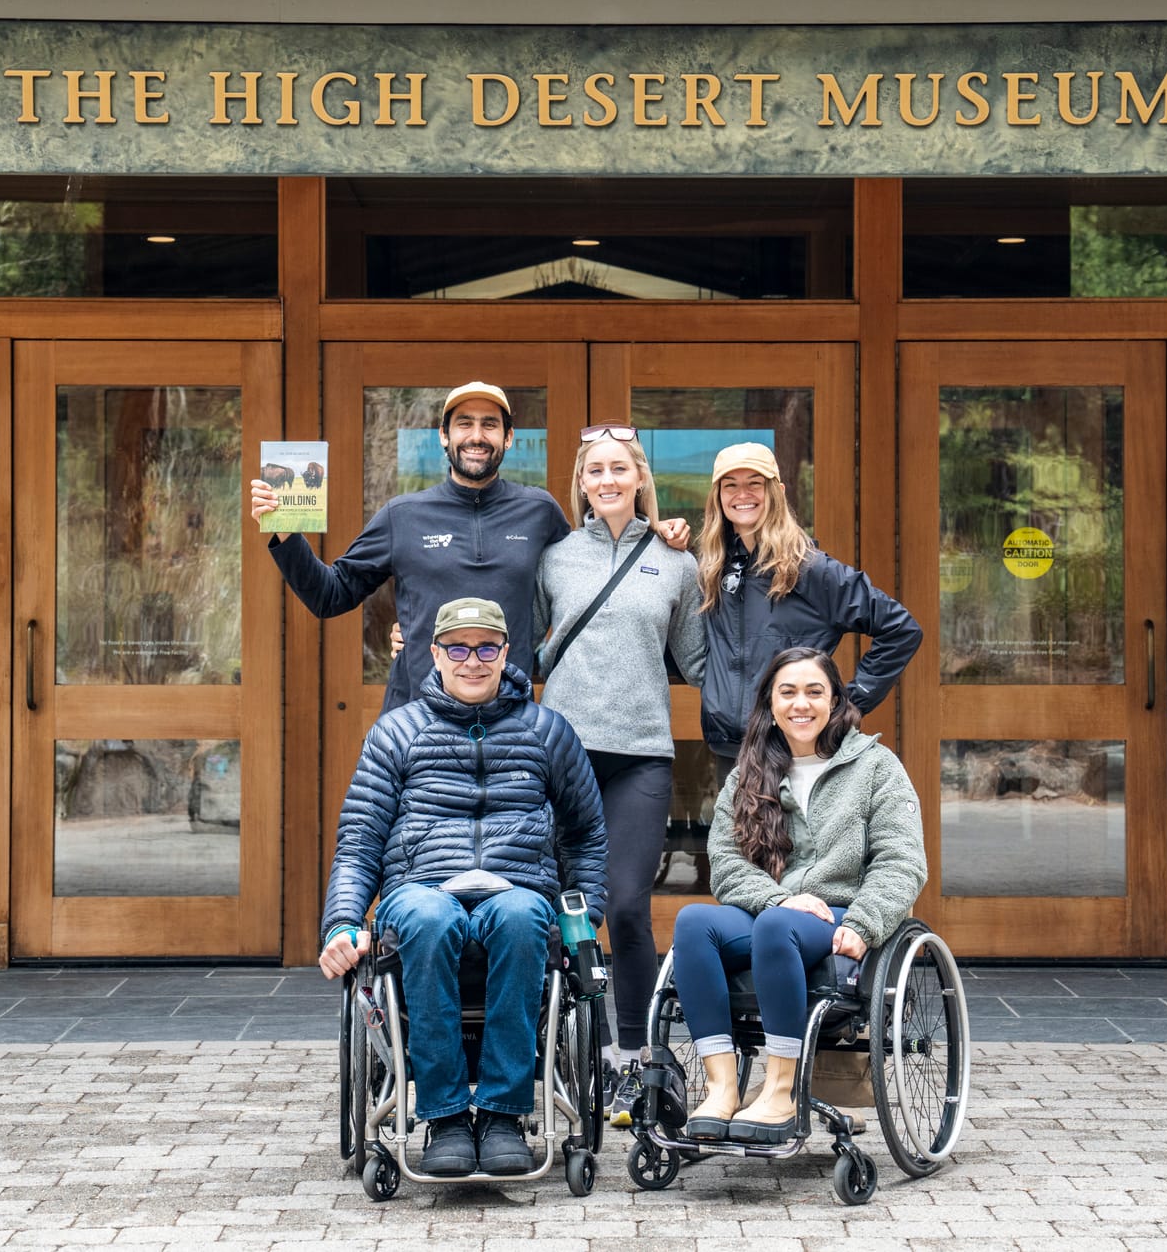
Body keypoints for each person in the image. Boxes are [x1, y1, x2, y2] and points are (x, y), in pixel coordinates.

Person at [316, 597, 607, 1178]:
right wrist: (343, 924)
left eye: (485, 648)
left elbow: (586, 833)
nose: (472, 661)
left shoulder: (547, 731)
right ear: (436, 654)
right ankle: (446, 1117)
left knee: (526, 917)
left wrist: (586, 915)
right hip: (421, 888)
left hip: (517, 890)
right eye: (458, 648)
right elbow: (359, 842)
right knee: (426, 919)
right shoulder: (396, 733)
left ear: (505, 653)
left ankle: (502, 1115)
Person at [251, 382, 688, 713]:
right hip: (418, 716)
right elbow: (330, 595)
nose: (476, 435)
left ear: (508, 437)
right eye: (464, 423)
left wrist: (655, 536)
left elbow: (594, 570)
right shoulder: (403, 515)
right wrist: (285, 533)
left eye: (489, 425)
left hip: (509, 717)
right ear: (444, 436)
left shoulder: (539, 512)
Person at [670, 646, 928, 1144]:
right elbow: (725, 863)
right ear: (771, 701)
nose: (800, 704)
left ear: (835, 701)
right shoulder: (749, 772)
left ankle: (780, 1089)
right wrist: (776, 898)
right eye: (787, 692)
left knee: (774, 926)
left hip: (838, 915)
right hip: (774, 912)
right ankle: (723, 1087)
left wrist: (865, 921)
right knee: (693, 923)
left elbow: (902, 860)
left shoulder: (875, 767)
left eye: (814, 691)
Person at [532, 422, 706, 1128]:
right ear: (581, 481)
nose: (606, 479)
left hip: (640, 756)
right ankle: (566, 1054)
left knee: (628, 907)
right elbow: (525, 649)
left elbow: (699, 660)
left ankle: (631, 1060)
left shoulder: (677, 561)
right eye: (594, 469)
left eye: (619, 468)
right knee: (566, 914)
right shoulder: (553, 559)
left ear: (639, 477)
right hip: (561, 756)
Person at [697, 441, 922, 779]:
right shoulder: (715, 568)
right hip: (730, 750)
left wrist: (844, 704)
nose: (742, 494)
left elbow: (901, 629)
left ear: (777, 491)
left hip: (793, 750)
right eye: (731, 485)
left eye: (754, 483)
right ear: (717, 497)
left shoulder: (809, 568)